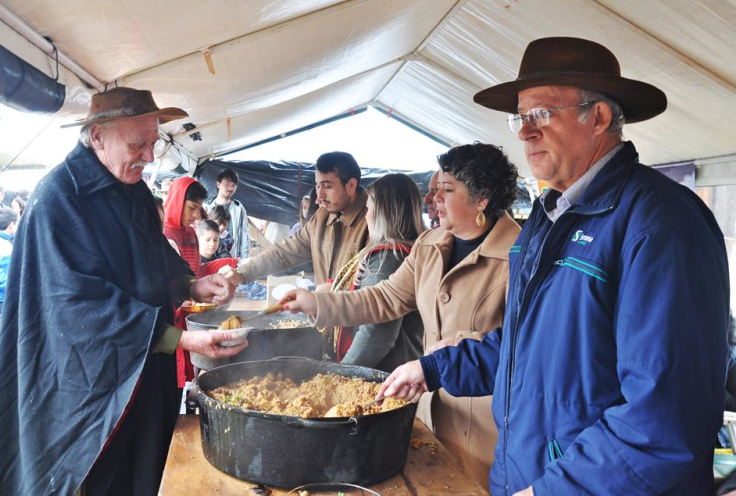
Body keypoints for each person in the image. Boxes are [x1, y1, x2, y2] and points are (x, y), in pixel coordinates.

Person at [373, 37, 729, 495]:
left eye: (541, 114)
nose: (524, 132)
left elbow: (663, 417)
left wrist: (550, 490)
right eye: (519, 117)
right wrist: (435, 369)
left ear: (598, 117)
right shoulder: (548, 217)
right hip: (527, 475)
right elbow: (527, 347)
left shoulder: (660, 224)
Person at [0, 87, 248, 496]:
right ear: (98, 136)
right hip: (90, 385)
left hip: (145, 369)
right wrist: (179, 338)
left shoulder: (133, 189)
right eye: (138, 144)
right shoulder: (60, 198)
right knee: (104, 480)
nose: (149, 156)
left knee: (148, 471)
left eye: (153, 143)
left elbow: (155, 254)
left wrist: (190, 283)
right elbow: (78, 303)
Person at [281, 143, 520, 488]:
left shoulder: (520, 256)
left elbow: (523, 346)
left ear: (481, 198)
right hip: (426, 411)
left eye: (446, 190)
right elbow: (384, 298)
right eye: (434, 189)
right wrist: (317, 304)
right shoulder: (429, 245)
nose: (432, 198)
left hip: (485, 428)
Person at [322, 173, 425, 372]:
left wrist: (343, 373)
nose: (366, 216)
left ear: (383, 213)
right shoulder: (410, 251)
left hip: (385, 373)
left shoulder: (389, 258)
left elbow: (375, 332)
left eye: (368, 209)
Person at [222, 152, 370, 287]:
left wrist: (328, 298)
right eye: (318, 186)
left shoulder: (373, 222)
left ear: (351, 185)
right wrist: (243, 273)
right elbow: (286, 251)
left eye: (327, 186)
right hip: (324, 306)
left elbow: (374, 291)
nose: (319, 197)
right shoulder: (322, 217)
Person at [163, 177, 206, 277]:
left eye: (198, 209)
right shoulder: (161, 233)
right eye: (192, 207)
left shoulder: (191, 233)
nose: (196, 215)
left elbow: (197, 271)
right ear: (177, 201)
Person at [204, 169, 250, 259]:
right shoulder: (206, 207)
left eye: (233, 185)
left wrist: (244, 259)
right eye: (227, 184)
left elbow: (245, 235)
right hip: (211, 259)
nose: (230, 188)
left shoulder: (239, 208)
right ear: (218, 184)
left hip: (233, 258)